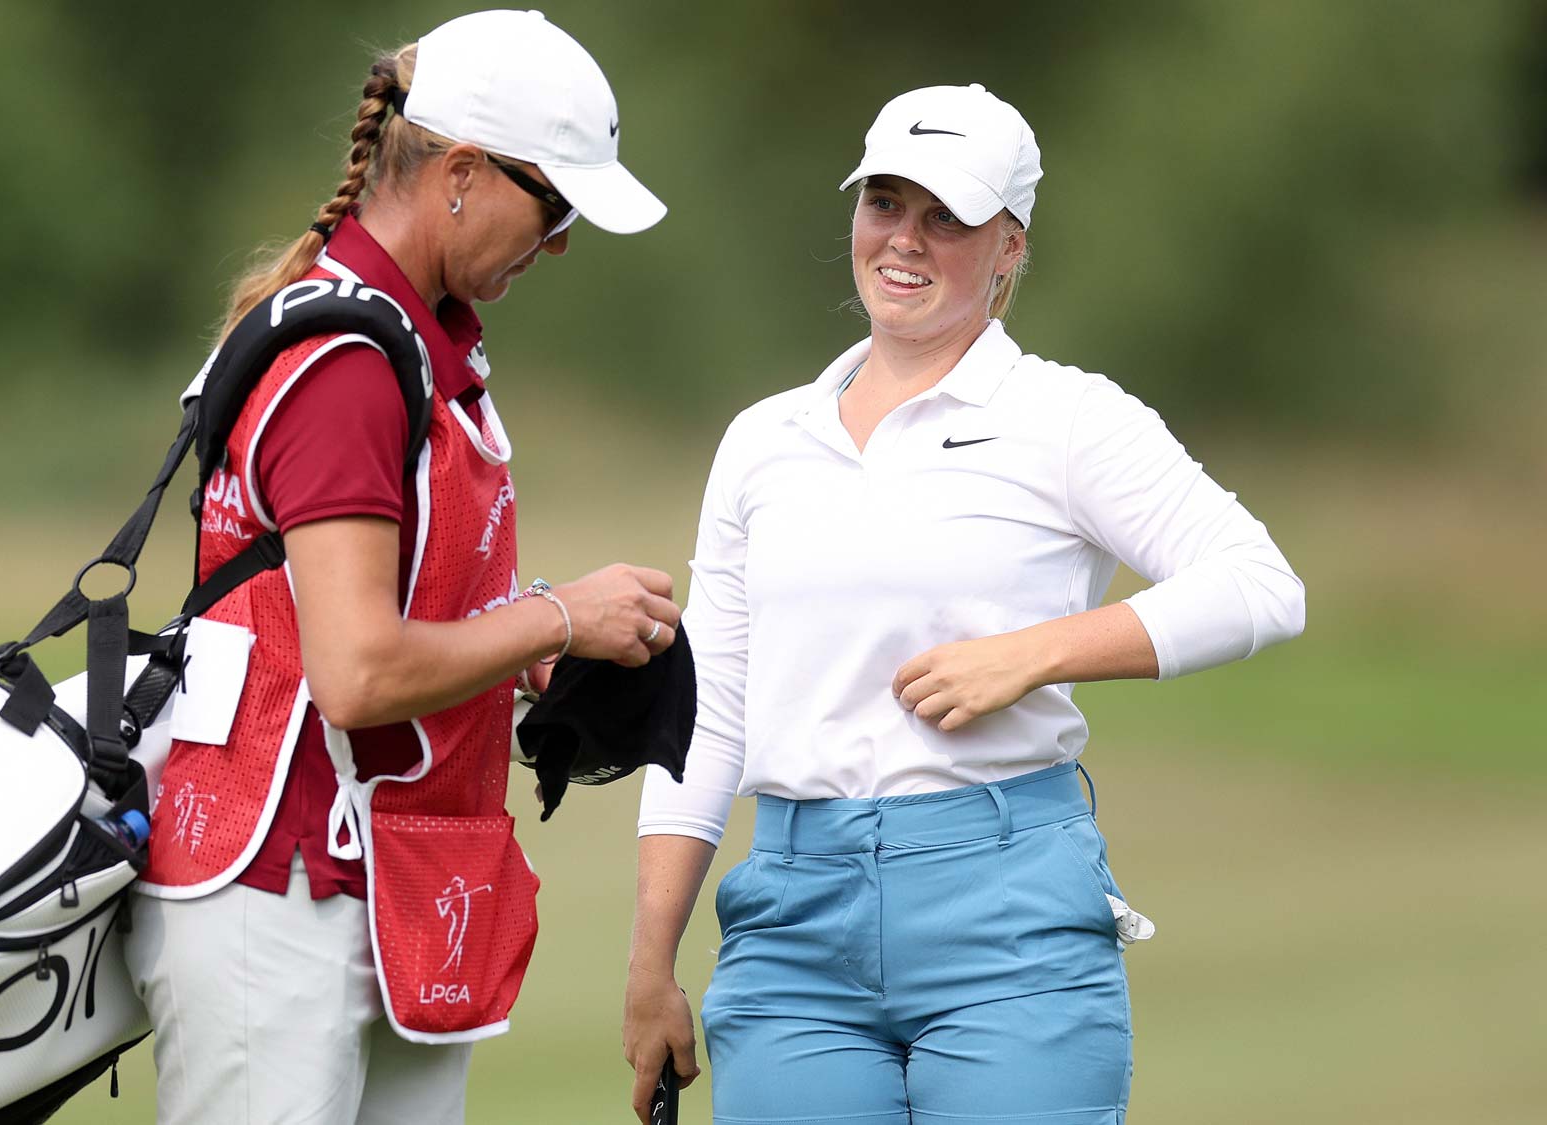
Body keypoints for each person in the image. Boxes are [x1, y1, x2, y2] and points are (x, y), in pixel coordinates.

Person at [622, 83, 1305, 1125]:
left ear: (1008, 248)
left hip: (1007, 909)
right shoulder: (764, 439)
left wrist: (1035, 653)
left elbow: (1259, 586)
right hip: (792, 920)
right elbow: (710, 709)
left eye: (946, 217)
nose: (905, 240)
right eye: (884, 203)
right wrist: (650, 960)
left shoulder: (1065, 417)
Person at [123, 11, 679, 1125]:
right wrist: (554, 622)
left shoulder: (419, 338)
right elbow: (358, 674)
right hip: (282, 887)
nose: (560, 240)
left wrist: (523, 643)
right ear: (461, 174)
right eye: (553, 203)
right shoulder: (349, 364)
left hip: (386, 881)